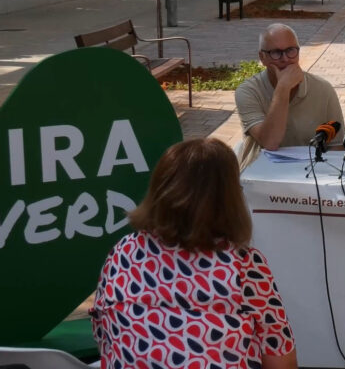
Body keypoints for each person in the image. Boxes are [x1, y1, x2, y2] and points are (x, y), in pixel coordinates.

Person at [90, 138, 298, 369]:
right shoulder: (243, 265)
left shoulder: (122, 253)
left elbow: (105, 337)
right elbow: (280, 358)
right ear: (229, 200)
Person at [236, 23, 344, 165]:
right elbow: (270, 142)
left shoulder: (323, 89)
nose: (285, 59)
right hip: (261, 174)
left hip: (311, 172)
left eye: (291, 50)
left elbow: (335, 146)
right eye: (276, 53)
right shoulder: (248, 91)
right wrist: (283, 88)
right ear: (262, 57)